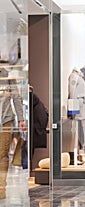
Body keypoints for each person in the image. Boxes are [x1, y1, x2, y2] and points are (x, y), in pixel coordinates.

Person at [0, 68, 26, 199]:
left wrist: (21, 119)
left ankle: (1, 187)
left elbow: (16, 97)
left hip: (6, 120)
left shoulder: (8, 75)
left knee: (3, 154)